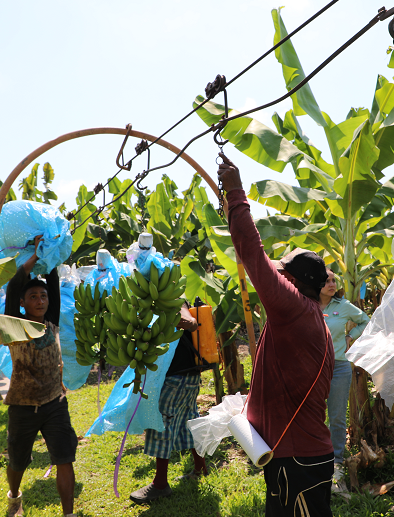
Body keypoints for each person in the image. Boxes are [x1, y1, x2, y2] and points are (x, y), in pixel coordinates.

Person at [218, 153, 335, 517]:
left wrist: (237, 194)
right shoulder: (306, 312)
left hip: (299, 460)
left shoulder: (294, 308)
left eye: (284, 273)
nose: (278, 276)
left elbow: (255, 257)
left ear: (296, 283)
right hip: (295, 456)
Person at [3, 236, 78, 517]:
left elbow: (54, 282)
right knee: (18, 461)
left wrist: (50, 252)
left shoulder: (52, 321)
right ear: (22, 303)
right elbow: (13, 287)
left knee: (64, 457)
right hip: (22, 405)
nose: (40, 300)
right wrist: (34, 256)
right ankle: (14, 495)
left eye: (43, 296)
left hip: (54, 402)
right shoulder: (15, 324)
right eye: (33, 296)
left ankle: (68, 513)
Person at [129, 301, 209, 504]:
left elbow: (190, 322)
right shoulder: (148, 303)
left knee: (162, 424)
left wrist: (174, 319)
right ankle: (200, 468)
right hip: (185, 375)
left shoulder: (173, 299)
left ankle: (160, 484)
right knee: (189, 420)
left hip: (177, 376)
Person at [319, 269, 369, 485]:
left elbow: (365, 320)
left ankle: (337, 460)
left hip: (339, 366)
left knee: (337, 416)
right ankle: (316, 456)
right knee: (313, 414)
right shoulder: (306, 304)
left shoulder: (342, 306)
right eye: (326, 281)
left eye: (333, 281)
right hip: (313, 368)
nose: (331, 284)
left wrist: (350, 336)